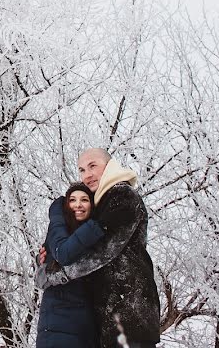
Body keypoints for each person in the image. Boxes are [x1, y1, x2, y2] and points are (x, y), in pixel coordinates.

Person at [37, 148, 161, 348]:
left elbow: (102, 251)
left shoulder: (123, 195)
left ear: (109, 166)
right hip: (107, 320)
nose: (87, 175)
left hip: (129, 313)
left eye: (92, 166)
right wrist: (46, 257)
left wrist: (56, 274)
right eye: (82, 170)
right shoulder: (101, 203)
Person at [35, 182, 105, 348]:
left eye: (84, 200)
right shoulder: (58, 234)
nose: (78, 205)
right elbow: (41, 279)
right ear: (66, 205)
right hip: (57, 321)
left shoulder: (99, 236)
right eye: (72, 200)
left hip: (88, 325)